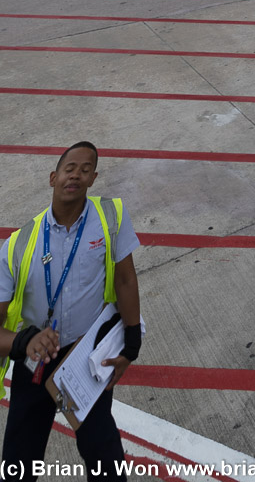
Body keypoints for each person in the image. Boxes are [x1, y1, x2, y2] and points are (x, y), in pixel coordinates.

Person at [0, 142, 142, 482]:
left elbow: (125, 278)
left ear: (93, 178)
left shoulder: (110, 218)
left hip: (84, 360)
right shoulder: (19, 245)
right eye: (70, 168)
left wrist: (131, 344)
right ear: (53, 177)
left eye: (86, 168)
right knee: (19, 464)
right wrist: (24, 342)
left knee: (105, 458)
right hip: (35, 363)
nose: (77, 174)